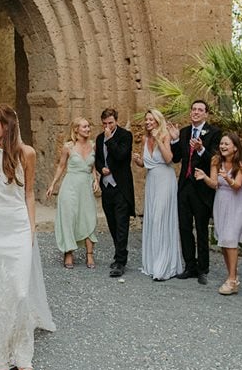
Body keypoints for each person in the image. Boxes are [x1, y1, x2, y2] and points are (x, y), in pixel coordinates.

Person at [0, 104, 55, 370]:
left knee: (19, 292)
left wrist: (31, 228)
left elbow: (28, 193)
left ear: (7, 125)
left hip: (17, 227)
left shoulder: (27, 153)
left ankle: (21, 353)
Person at [170, 100, 221, 285]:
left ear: (206, 114)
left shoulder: (214, 133)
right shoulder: (184, 132)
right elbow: (176, 158)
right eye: (194, 109)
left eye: (200, 110)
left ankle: (203, 269)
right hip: (185, 186)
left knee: (201, 229)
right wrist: (175, 140)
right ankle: (189, 266)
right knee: (184, 227)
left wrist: (201, 149)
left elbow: (215, 159)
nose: (196, 112)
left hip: (202, 187)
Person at [131, 109, 183, 281]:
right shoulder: (145, 139)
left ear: (158, 121)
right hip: (152, 180)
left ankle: (164, 267)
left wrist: (159, 140)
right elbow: (146, 163)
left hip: (165, 180)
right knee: (153, 219)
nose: (148, 122)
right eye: (146, 119)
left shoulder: (165, 135)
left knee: (160, 218)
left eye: (151, 119)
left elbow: (169, 159)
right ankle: (153, 264)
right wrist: (138, 160)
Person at [195, 133, 242, 295]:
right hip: (220, 202)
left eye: (226, 144)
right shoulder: (216, 160)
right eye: (221, 144)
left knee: (231, 239)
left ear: (235, 148)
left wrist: (227, 178)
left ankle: (232, 279)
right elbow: (214, 184)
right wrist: (204, 177)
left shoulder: (241, 164)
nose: (223, 146)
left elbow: (237, 186)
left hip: (236, 203)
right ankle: (232, 276)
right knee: (224, 241)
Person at [46, 117, 99, 269]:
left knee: (88, 217)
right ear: (76, 129)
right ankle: (68, 252)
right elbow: (61, 166)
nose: (88, 129)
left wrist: (96, 180)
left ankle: (90, 254)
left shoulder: (93, 145)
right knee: (69, 217)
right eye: (84, 127)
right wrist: (53, 184)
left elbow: (93, 166)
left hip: (86, 187)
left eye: (88, 126)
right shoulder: (68, 147)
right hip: (70, 186)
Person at [94, 108, 135, 278]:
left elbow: (120, 156)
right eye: (104, 123)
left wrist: (110, 139)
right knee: (112, 223)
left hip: (121, 187)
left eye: (110, 123)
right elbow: (98, 159)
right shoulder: (99, 138)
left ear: (116, 121)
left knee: (121, 224)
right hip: (106, 187)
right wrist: (100, 168)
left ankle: (120, 261)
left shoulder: (125, 135)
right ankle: (119, 254)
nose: (107, 126)